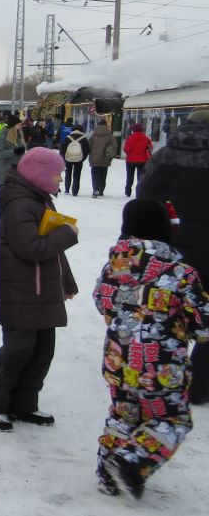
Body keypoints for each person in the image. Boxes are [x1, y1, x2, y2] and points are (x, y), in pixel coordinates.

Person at [92, 199, 209, 499]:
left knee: (124, 413)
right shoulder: (181, 273)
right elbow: (202, 325)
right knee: (171, 419)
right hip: (161, 365)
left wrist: (125, 323)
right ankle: (132, 462)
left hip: (118, 356)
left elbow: (102, 300)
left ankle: (108, 473)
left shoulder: (116, 264)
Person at [0, 148, 79, 432]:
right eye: (57, 175)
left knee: (42, 351)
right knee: (18, 350)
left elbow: (54, 253)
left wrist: (65, 282)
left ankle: (24, 402)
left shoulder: (41, 201)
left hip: (43, 291)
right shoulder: (19, 204)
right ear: (40, 176)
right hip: (21, 292)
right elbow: (31, 248)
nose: (61, 179)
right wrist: (67, 234)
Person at [137, 109, 209, 406]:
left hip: (167, 248)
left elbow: (144, 196)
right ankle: (200, 386)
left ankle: (154, 375)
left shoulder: (163, 156)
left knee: (162, 313)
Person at [87, 118, 117, 198]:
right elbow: (115, 146)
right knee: (103, 176)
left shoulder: (93, 135)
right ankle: (101, 190)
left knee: (95, 175)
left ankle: (95, 189)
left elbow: (89, 146)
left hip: (94, 159)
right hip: (105, 159)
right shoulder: (110, 136)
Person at [0, 114, 25, 186]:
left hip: (16, 173)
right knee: (5, 196)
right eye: (19, 124)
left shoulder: (19, 136)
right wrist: (15, 152)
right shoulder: (3, 136)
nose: (20, 126)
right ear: (13, 126)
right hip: (6, 174)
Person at [60, 122, 91, 195]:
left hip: (68, 158)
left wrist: (64, 157)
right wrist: (82, 158)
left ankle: (67, 189)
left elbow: (62, 149)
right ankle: (75, 191)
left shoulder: (68, 137)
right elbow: (86, 150)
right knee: (77, 175)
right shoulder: (84, 139)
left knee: (68, 173)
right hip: (79, 159)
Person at [123, 123, 152, 197]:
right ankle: (140, 191)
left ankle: (128, 191)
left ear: (133, 130)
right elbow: (150, 147)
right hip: (143, 161)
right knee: (141, 177)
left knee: (130, 177)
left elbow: (127, 150)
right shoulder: (146, 138)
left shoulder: (130, 138)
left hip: (130, 161)